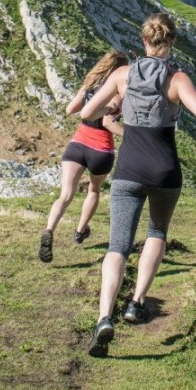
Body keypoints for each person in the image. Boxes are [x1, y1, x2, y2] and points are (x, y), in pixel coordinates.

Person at [77, 13, 196, 357]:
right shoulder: (176, 78)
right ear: (172, 42)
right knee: (156, 233)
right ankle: (136, 302)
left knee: (117, 247)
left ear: (143, 41)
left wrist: (116, 107)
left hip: (129, 169)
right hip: (165, 170)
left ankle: (104, 317)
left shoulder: (122, 75)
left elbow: (87, 113)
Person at [39, 51, 129, 263]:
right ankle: (80, 231)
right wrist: (134, 135)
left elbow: (70, 108)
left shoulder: (89, 84)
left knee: (65, 195)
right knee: (94, 189)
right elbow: (108, 123)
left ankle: (49, 229)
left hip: (77, 145)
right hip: (101, 149)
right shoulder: (116, 91)